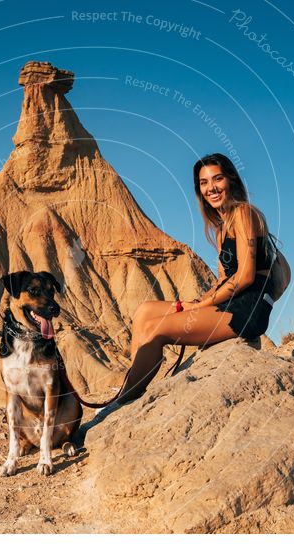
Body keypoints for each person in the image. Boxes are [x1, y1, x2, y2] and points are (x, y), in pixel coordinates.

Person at [115, 153, 278, 405]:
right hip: (229, 303)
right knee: (145, 311)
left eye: (217, 179)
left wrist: (201, 306)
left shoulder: (244, 213)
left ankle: (124, 399)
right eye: (204, 183)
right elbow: (224, 279)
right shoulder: (222, 228)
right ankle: (132, 384)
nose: (211, 188)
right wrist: (196, 301)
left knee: (154, 329)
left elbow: (245, 277)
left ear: (231, 180)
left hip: (247, 308)